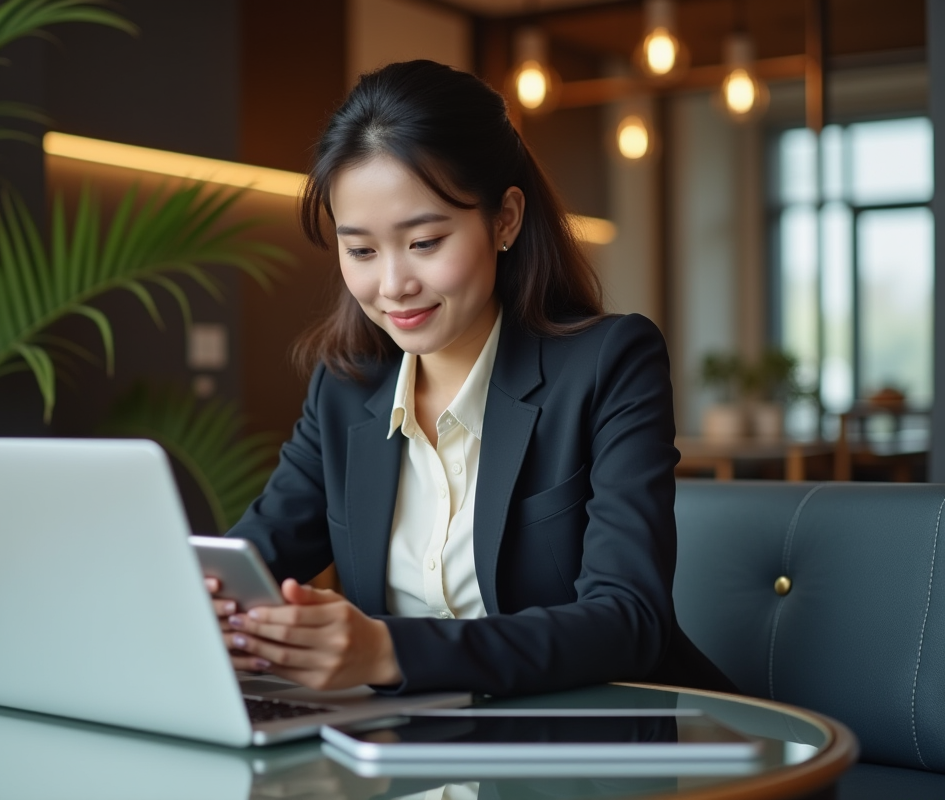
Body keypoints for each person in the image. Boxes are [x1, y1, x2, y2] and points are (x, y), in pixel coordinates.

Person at [208, 59, 733, 698]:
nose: (393, 285)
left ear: (505, 218)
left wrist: (388, 652)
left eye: (425, 242)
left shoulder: (609, 363)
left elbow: (629, 621)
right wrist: (202, 601)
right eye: (361, 250)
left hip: (598, 734)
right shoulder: (345, 388)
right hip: (411, 743)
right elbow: (250, 559)